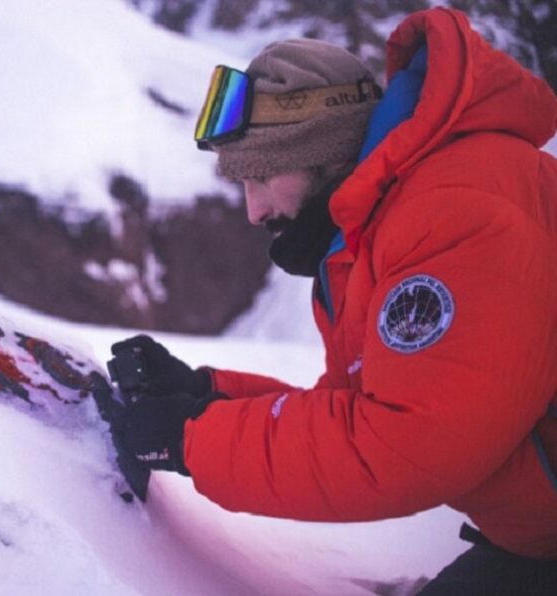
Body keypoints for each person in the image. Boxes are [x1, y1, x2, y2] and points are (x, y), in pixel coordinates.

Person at [110, 7, 557, 593]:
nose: (254, 211)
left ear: (329, 152)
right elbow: (369, 402)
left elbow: (404, 443)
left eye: (263, 176)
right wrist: (208, 396)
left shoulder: (454, 213)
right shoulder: (390, 215)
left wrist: (193, 438)